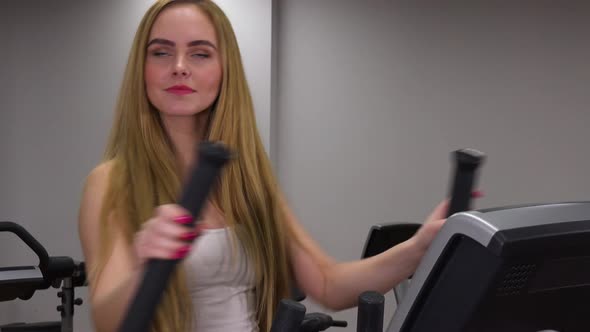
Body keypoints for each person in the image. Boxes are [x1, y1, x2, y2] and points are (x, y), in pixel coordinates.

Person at [77, 1, 451, 332]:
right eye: (161, 53)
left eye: (200, 54)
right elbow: (107, 321)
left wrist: (418, 249)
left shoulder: (247, 179)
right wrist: (146, 265)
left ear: (225, 70)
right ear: (141, 69)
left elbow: (328, 284)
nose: (178, 67)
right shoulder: (110, 182)